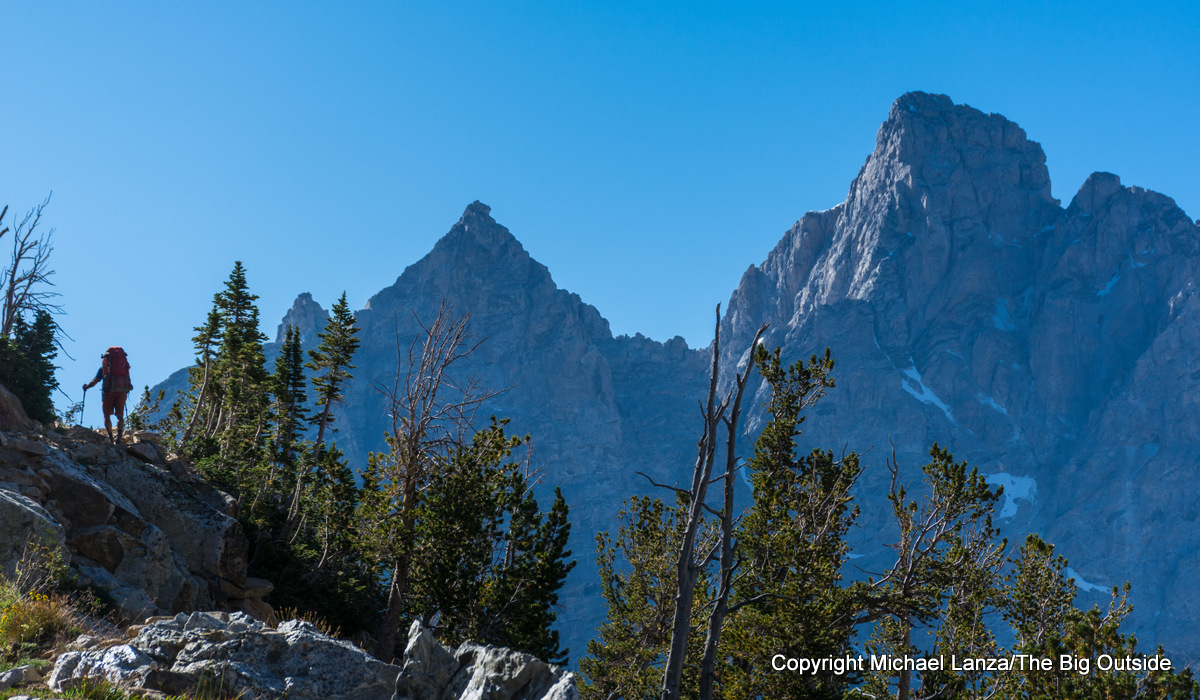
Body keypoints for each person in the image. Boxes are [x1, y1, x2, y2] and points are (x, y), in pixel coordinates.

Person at [83, 346, 133, 444]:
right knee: (120, 415)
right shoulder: (124, 367)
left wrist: (87, 387)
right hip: (122, 391)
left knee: (106, 416)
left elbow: (95, 381)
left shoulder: (104, 369)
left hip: (108, 392)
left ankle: (110, 438)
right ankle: (119, 436)